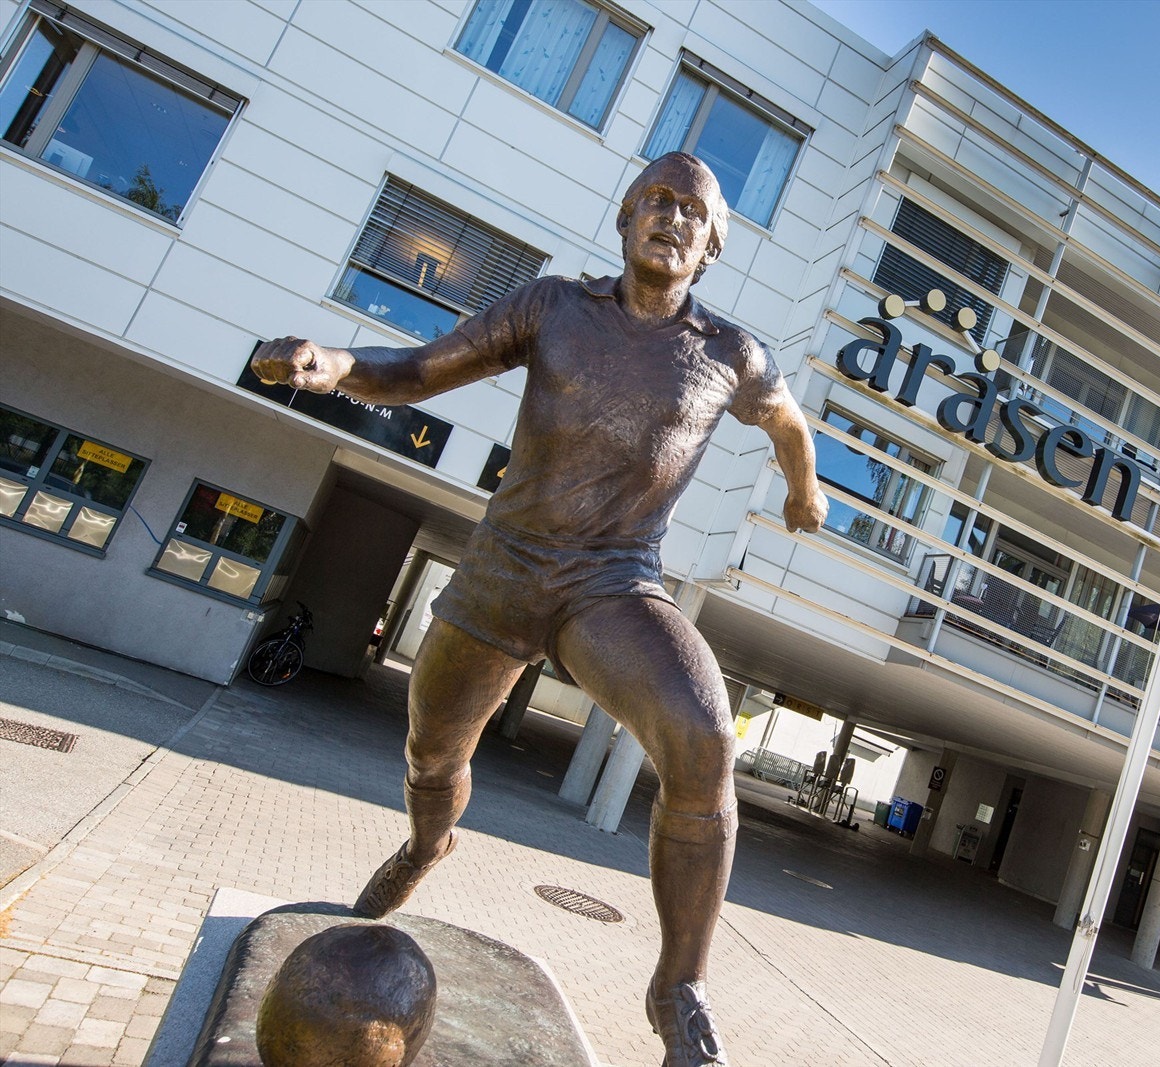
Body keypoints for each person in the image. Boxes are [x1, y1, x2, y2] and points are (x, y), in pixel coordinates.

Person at [252, 152, 828, 1067]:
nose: (672, 218)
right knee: (432, 750)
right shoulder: (552, 307)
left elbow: (790, 420)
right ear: (625, 218)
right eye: (655, 201)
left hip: (613, 584)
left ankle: (678, 984)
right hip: (503, 575)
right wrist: (330, 364)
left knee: (706, 740)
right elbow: (416, 372)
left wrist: (804, 488)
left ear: (712, 246)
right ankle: (427, 844)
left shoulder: (729, 354)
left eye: (692, 211)